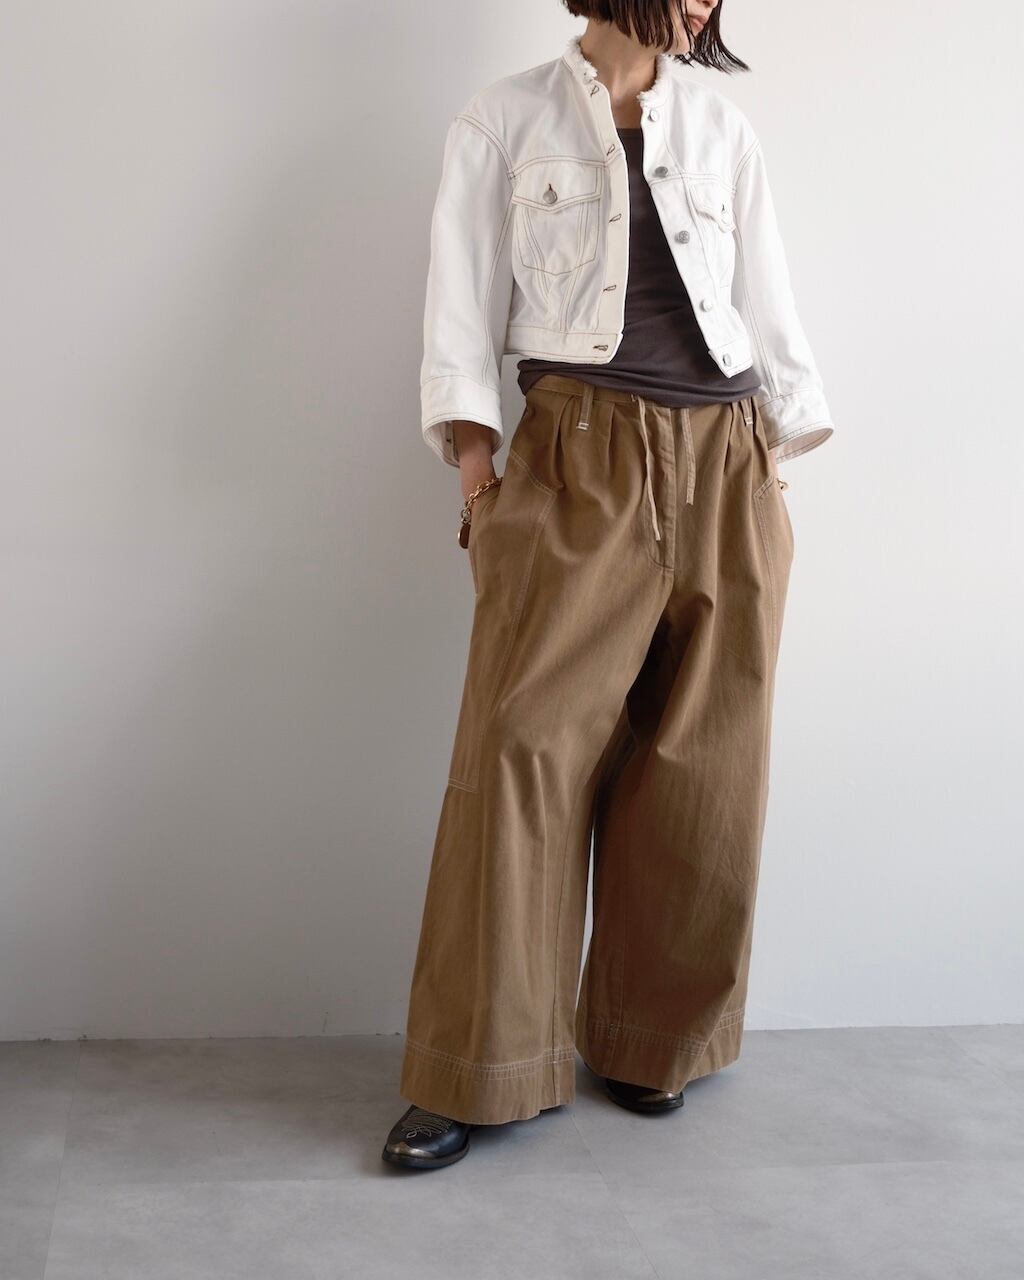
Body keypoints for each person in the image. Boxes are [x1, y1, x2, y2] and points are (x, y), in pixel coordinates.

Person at [382, 0, 834, 1171]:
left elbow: (766, 301)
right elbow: (458, 307)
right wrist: (480, 475)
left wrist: (769, 471)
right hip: (575, 455)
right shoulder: (504, 120)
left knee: (702, 761)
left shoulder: (722, 130)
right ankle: (477, 1064)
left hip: (727, 457)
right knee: (518, 750)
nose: (704, 4)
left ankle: (648, 1040)